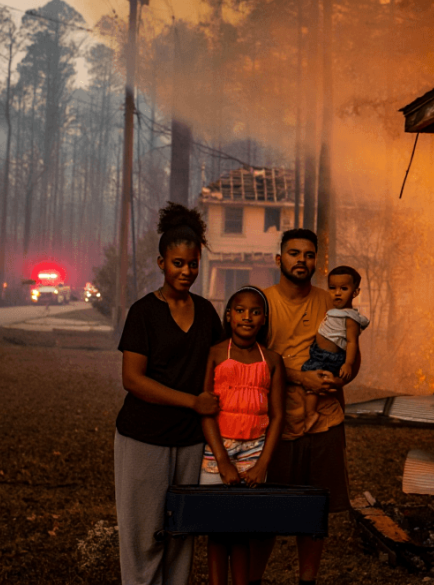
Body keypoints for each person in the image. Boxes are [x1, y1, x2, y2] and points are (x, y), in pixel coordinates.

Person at [114, 203, 223, 585]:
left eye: (193, 264)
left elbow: (225, 367)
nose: (187, 271)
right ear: (161, 263)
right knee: (145, 536)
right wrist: (192, 402)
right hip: (144, 437)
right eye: (178, 263)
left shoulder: (207, 313)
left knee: (181, 534)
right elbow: (133, 380)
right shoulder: (143, 313)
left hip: (191, 440)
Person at [251, 229, 354, 585]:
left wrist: (338, 379)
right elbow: (251, 361)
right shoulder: (263, 303)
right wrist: (300, 377)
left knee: (314, 515)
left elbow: (352, 357)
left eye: (309, 255)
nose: (302, 260)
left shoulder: (331, 302)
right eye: (294, 253)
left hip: (324, 423)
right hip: (275, 425)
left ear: (316, 262)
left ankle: (307, 581)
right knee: (264, 516)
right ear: (279, 259)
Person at [200, 286, 285, 585]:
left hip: (255, 449)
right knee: (217, 529)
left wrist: (262, 464)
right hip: (217, 449)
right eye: (240, 310)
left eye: (255, 312)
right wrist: (222, 460)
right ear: (228, 316)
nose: (247, 317)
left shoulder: (272, 360)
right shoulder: (214, 354)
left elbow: (278, 416)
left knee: (241, 528)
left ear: (264, 319)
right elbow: (206, 410)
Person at [301, 266, 369, 431]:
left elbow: (352, 342)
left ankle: (311, 413)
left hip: (329, 358)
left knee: (311, 382)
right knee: (310, 379)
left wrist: (348, 364)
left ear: (355, 292)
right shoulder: (334, 310)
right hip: (319, 353)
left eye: (343, 289)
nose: (337, 293)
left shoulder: (350, 318)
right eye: (332, 288)